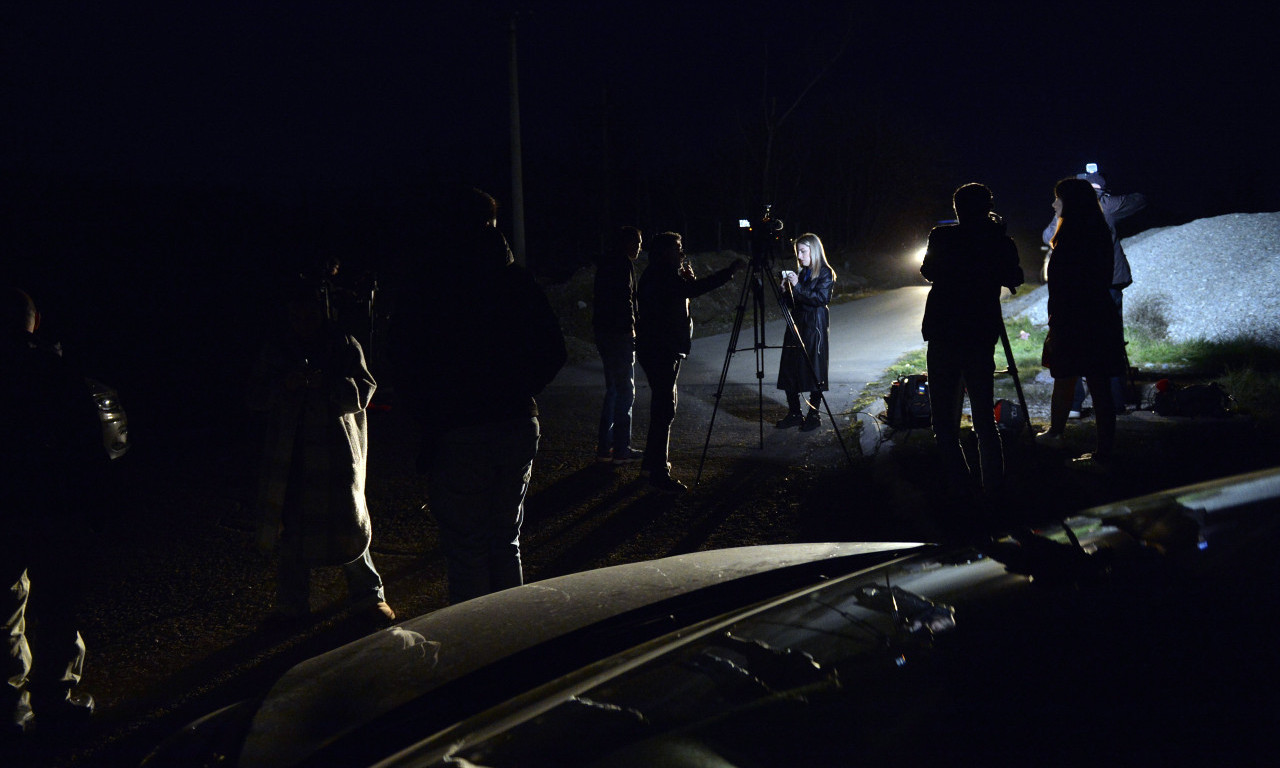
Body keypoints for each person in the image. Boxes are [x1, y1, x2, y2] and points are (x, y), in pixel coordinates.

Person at [390, 189, 567, 604]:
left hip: (457, 427)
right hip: (516, 420)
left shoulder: (430, 284)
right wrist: (520, 387)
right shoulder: (515, 280)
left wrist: (428, 412)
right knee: (505, 539)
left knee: (466, 547)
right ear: (493, 224)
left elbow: (403, 357)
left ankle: (475, 649)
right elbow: (553, 351)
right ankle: (512, 644)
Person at [248, 287, 395, 627]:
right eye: (296, 317)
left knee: (348, 524)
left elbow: (364, 389)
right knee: (292, 532)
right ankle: (291, 606)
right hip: (291, 459)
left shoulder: (343, 344)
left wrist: (326, 385)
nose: (303, 324)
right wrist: (284, 386)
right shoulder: (278, 349)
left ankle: (370, 597)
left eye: (310, 316)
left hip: (336, 457)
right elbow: (254, 395)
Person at [1, 288, 103, 739]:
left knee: (4, 609)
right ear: (36, 321)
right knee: (58, 606)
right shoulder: (57, 370)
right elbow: (88, 448)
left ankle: (10, 708)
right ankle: (55, 699)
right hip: (55, 507)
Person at [920, 184, 1024, 495]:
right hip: (980, 331)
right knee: (982, 414)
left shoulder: (941, 237)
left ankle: (960, 484)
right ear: (987, 206)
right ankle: (992, 485)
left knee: (943, 417)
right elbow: (1015, 277)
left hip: (943, 330)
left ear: (957, 209)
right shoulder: (999, 240)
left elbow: (927, 270)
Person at [635, 232, 744, 494]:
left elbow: (681, 294)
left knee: (663, 408)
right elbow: (691, 290)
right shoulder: (662, 274)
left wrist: (684, 286)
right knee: (664, 410)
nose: (681, 253)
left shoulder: (658, 273)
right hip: (662, 350)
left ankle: (651, 466)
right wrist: (729, 272)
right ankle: (658, 474)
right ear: (664, 252)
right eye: (677, 248)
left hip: (660, 349)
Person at [1037, 177, 1129, 469]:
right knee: (1093, 380)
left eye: (1057, 198)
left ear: (1070, 202)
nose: (1053, 204)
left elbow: (1067, 285)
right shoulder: (1096, 231)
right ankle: (1097, 446)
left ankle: (1092, 448)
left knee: (1072, 377)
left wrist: (1058, 322)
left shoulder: (1074, 237)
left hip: (1076, 318)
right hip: (1096, 315)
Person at [1041, 167, 1146, 418]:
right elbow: (1139, 200)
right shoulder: (1098, 217)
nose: (1054, 203)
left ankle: (1076, 407)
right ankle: (1111, 404)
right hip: (1103, 291)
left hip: (1089, 294)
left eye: (1059, 199)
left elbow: (1140, 200)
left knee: (1081, 349)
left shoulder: (1098, 214)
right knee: (1106, 345)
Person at [592, 226, 644, 465]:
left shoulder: (606, 262)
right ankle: (621, 448)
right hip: (619, 334)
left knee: (613, 390)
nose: (639, 247)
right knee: (625, 391)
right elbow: (625, 299)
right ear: (627, 243)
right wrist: (632, 327)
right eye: (637, 242)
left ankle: (606, 447)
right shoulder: (623, 264)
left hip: (604, 332)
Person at [775, 233, 836, 432]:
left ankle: (813, 414)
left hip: (814, 327)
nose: (799, 256)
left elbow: (821, 298)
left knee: (813, 369)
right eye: (797, 252)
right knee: (789, 367)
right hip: (797, 324)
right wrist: (786, 290)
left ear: (814, 250)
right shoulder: (803, 273)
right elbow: (795, 302)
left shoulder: (825, 272)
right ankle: (794, 413)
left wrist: (798, 287)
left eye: (802, 251)